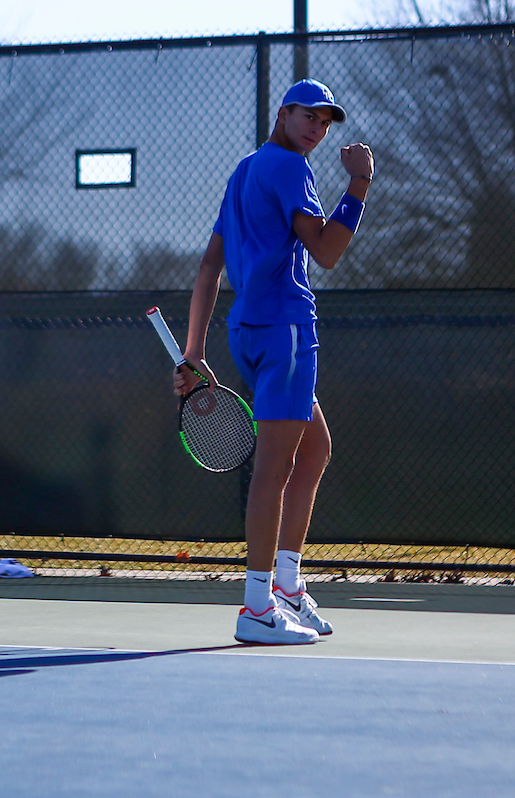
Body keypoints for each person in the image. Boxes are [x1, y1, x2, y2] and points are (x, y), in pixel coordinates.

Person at [174, 79, 374, 645]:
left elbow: (210, 266)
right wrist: (359, 182)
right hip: (285, 329)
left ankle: (285, 585)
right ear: (283, 114)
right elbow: (329, 250)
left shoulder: (243, 171)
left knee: (314, 448)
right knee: (274, 469)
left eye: (325, 121)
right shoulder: (288, 169)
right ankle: (256, 606)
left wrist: (194, 352)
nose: (316, 128)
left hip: (247, 331)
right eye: (307, 115)